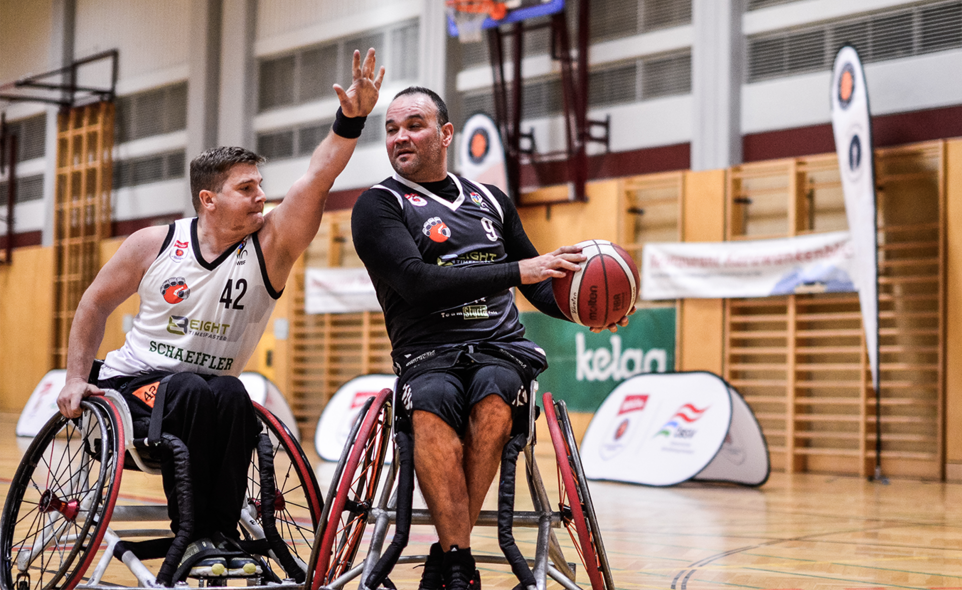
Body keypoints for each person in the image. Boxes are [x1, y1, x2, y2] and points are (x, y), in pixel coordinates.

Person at [55, 49, 385, 579]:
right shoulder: (155, 243)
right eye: (247, 188)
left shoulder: (270, 246)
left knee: (233, 390)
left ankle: (219, 534)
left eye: (260, 185)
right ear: (208, 199)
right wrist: (75, 379)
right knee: (189, 387)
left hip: (209, 393)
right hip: (132, 388)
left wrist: (352, 119)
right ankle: (192, 533)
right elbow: (93, 300)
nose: (262, 197)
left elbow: (317, 178)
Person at [351, 86, 630, 590]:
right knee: (433, 402)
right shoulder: (377, 206)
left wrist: (585, 311)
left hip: (500, 346)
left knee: (496, 398)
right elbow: (415, 281)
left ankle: (448, 554)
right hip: (426, 351)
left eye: (414, 125)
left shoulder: (490, 201)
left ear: (445, 133)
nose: (400, 137)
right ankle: (458, 559)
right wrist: (519, 269)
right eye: (391, 129)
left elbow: (540, 286)